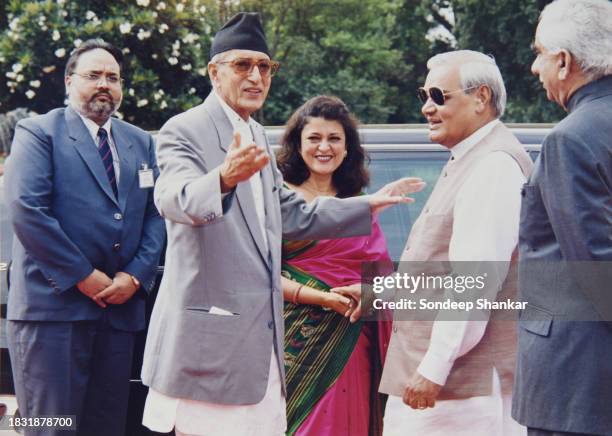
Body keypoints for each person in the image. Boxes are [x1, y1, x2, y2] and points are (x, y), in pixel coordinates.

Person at [140, 12, 424, 436]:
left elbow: (293, 213)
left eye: (265, 67)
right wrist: (223, 178)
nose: (256, 76)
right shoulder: (185, 129)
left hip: (264, 352)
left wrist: (368, 205)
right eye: (243, 65)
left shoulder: (254, 134)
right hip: (211, 347)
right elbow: (173, 200)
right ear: (214, 72)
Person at [3, 39, 165, 436]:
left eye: (113, 77)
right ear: (70, 82)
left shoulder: (140, 142)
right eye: (93, 75)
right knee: (48, 427)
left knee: (106, 427)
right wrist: (82, 275)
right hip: (52, 314)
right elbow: (28, 211)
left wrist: (135, 276)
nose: (104, 84)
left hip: (118, 314)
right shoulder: (38, 132)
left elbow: (157, 215)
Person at [379, 50, 533, 436]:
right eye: (424, 96)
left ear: (481, 98)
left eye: (439, 96)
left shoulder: (492, 165)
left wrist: (432, 369)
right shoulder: (470, 157)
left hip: (461, 391)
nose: (427, 108)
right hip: (449, 386)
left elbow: (474, 280)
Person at [512, 1, 612, 435]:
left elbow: (597, 269)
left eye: (539, 53)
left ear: (564, 61)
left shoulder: (570, 139)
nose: (535, 67)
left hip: (579, 388)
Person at [277, 95, 397, 435]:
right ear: (298, 145)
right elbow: (259, 274)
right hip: (292, 348)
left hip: (350, 346)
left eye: (334, 139)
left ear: (347, 148)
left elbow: (383, 279)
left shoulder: (360, 207)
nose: (324, 147)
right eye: (314, 138)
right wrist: (320, 298)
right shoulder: (279, 201)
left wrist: (369, 295)